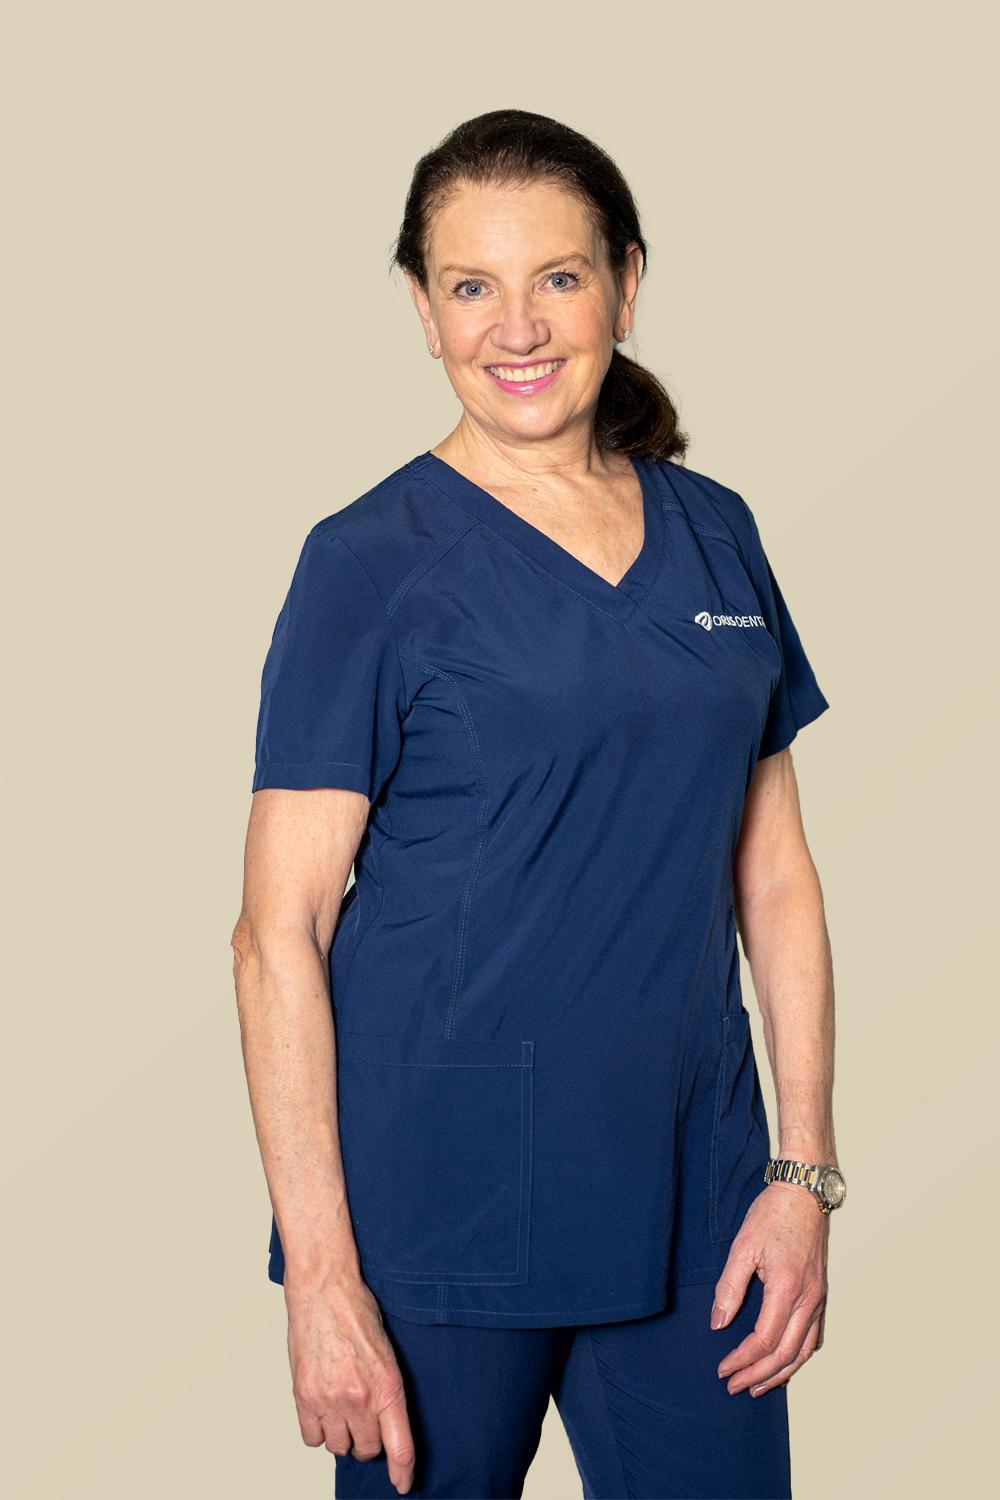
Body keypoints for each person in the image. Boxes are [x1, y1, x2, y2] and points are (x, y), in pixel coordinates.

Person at [230, 108, 844, 1500]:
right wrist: (320, 1276)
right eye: (471, 286)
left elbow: (775, 875)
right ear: (422, 309)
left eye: (558, 277)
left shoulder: (717, 532)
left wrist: (801, 1172)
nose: (517, 328)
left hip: (696, 1182)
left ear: (627, 284)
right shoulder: (365, 564)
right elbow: (278, 934)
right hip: (442, 1194)